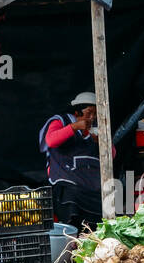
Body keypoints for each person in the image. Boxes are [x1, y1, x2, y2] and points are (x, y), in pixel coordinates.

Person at [40, 91, 103, 231]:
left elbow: (112, 155)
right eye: (89, 112)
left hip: (91, 188)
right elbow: (51, 141)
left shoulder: (97, 131)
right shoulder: (61, 121)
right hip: (68, 186)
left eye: (95, 114)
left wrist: (103, 142)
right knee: (72, 217)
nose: (92, 117)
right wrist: (74, 127)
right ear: (77, 112)